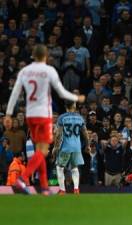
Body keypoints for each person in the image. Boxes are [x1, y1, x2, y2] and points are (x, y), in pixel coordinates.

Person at [4, 44, 85, 195]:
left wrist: (8, 114)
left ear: (33, 56)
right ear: (46, 56)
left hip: (30, 115)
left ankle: (44, 187)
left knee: (41, 149)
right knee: (43, 150)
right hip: (43, 115)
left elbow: (15, 93)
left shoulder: (25, 71)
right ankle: (22, 179)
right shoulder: (49, 70)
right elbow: (61, 92)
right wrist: (77, 97)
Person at [52, 101, 90, 195]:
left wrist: (56, 147)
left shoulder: (62, 117)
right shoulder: (80, 118)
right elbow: (85, 133)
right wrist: (88, 145)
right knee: (74, 167)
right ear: (74, 106)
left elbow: (58, 134)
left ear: (66, 107)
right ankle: (76, 189)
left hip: (66, 147)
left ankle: (62, 190)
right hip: (77, 147)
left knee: (59, 167)